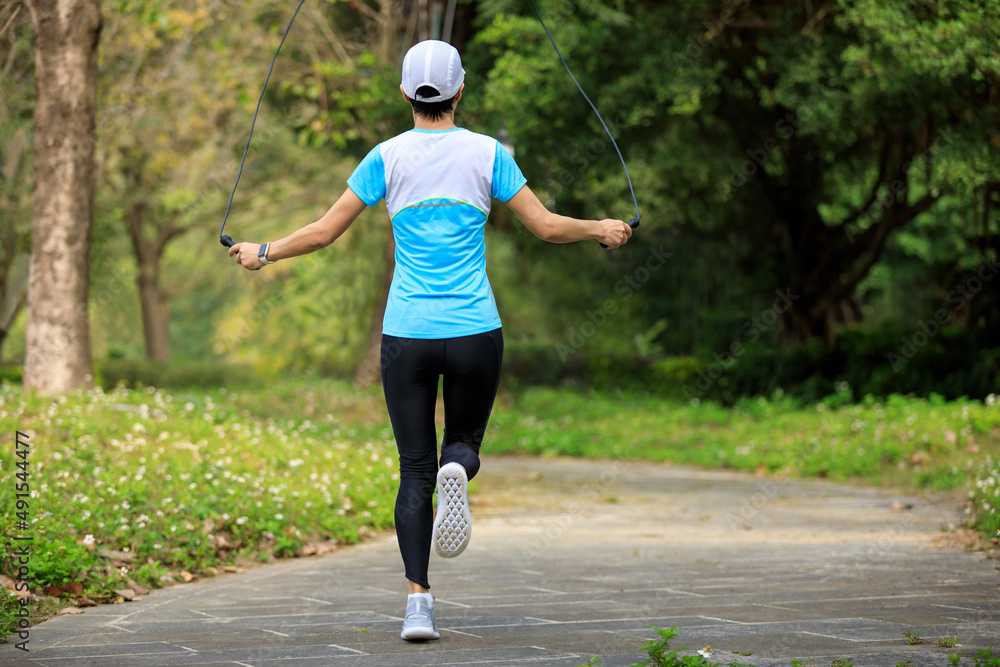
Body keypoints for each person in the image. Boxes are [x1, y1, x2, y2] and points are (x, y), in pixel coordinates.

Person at [229, 39, 632, 641]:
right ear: (460, 91)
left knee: (411, 468)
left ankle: (418, 602)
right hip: (474, 330)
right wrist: (601, 227)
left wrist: (264, 251)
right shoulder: (488, 154)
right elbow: (545, 226)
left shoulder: (385, 158)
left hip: (406, 337)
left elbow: (321, 233)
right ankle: (460, 467)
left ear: (404, 94)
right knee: (460, 444)